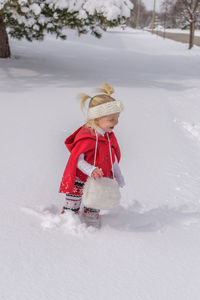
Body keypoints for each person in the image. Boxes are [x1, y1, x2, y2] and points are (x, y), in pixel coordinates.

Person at [59, 82, 125, 227]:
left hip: (98, 179)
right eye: (111, 119)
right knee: (73, 202)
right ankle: (69, 221)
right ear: (96, 119)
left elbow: (112, 159)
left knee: (95, 200)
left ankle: (91, 220)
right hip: (81, 178)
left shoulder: (108, 137)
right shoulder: (86, 137)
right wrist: (91, 169)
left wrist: (118, 176)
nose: (116, 122)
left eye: (117, 118)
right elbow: (78, 160)